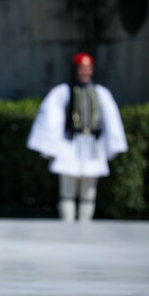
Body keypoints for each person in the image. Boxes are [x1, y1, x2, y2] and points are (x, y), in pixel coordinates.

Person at [27, 52, 128, 222]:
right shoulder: (64, 91)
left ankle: (85, 223)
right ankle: (67, 223)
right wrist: (51, 146)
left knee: (89, 190)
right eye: (82, 69)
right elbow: (52, 119)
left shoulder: (100, 92)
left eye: (88, 69)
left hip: (92, 145)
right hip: (70, 144)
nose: (85, 72)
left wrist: (112, 145)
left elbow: (110, 120)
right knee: (67, 188)